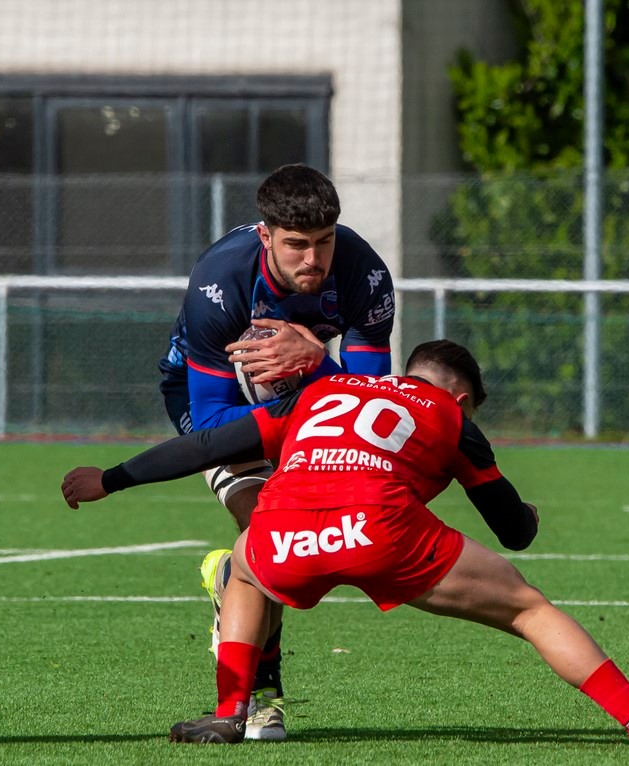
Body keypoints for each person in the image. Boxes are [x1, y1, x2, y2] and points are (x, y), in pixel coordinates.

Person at [62, 340, 629, 751]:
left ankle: (231, 711)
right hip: (381, 527)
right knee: (528, 608)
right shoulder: (451, 416)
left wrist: (111, 479)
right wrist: (528, 513)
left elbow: (209, 446)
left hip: (286, 524)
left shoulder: (322, 392)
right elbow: (514, 529)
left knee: (246, 571)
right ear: (459, 397)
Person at [156, 163, 396, 738]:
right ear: (266, 236)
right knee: (270, 520)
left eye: (323, 242)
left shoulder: (365, 276)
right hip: (215, 402)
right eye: (295, 245)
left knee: (304, 530)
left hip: (312, 394)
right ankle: (263, 694)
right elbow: (213, 419)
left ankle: (231, 574)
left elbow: (367, 410)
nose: (312, 260)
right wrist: (307, 390)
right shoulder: (221, 280)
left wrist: (313, 364)